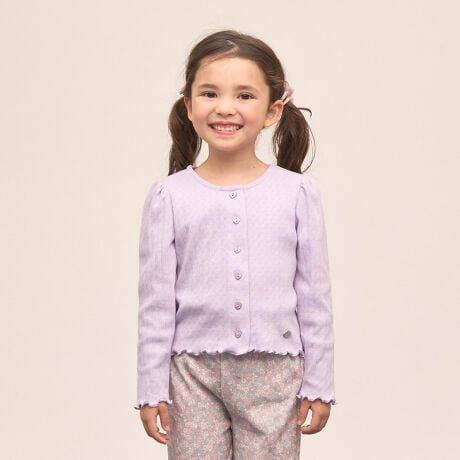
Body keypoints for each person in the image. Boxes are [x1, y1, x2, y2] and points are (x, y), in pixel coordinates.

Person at [134, 29, 338, 459]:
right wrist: (152, 387)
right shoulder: (169, 196)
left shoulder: (296, 193)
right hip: (191, 373)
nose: (225, 107)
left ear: (273, 110)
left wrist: (319, 381)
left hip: (275, 372)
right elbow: (155, 302)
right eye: (210, 93)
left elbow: (314, 296)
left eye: (244, 95)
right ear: (189, 105)